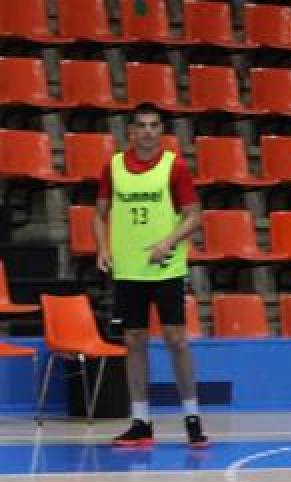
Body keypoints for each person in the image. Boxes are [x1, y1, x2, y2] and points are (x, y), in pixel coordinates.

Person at [94, 103, 207, 448]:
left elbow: (193, 216)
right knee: (134, 342)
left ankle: (192, 417)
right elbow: (99, 214)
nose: (147, 132)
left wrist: (168, 241)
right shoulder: (113, 167)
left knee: (177, 339)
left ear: (161, 131)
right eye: (141, 126)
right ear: (130, 132)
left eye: (154, 126)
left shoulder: (175, 167)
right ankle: (141, 422)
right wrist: (102, 248)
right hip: (128, 270)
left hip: (166, 267)